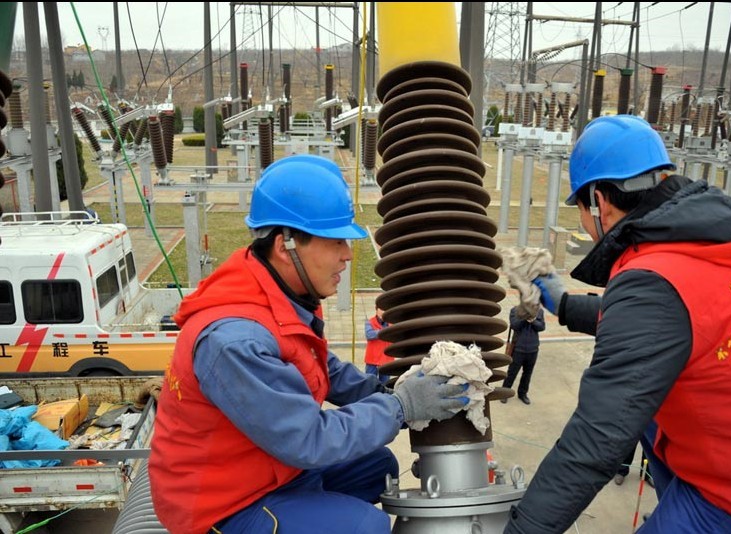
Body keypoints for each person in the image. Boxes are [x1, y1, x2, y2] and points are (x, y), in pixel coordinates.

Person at [504, 115, 731, 533]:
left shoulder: (652, 281)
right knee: (647, 415)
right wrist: (564, 304)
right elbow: (666, 326)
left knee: (625, 411)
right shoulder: (711, 239)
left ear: (600, 201)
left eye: (581, 209)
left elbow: (596, 439)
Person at [149, 154, 469, 534]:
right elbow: (308, 439)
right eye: (336, 241)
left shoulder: (278, 295)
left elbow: (320, 366)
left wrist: (386, 391)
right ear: (285, 247)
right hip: (221, 503)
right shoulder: (235, 342)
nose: (348, 255)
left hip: (264, 464)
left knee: (378, 465)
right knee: (366, 527)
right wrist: (400, 407)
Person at [500, 306, 545, 405]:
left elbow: (541, 327)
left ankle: (522, 394)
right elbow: (514, 325)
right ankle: (505, 393)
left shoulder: (539, 311)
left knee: (527, 373)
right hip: (518, 349)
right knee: (512, 372)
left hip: (533, 349)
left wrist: (533, 321)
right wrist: (525, 318)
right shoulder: (515, 310)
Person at [364, 306, 393, 384]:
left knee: (385, 385)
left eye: (385, 309)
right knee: (370, 384)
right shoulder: (369, 322)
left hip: (387, 360)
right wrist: (385, 331)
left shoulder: (392, 323)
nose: (383, 312)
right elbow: (369, 335)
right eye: (381, 309)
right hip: (372, 360)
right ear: (376, 310)